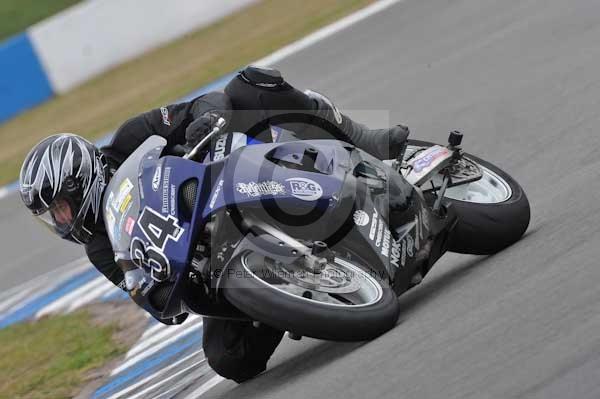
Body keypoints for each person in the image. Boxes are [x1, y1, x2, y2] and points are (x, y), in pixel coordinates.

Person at [18, 66, 409, 382]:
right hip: (213, 258)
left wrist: (204, 122)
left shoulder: (130, 139)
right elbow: (159, 302)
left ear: (80, 178)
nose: (61, 222)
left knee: (247, 84)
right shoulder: (100, 249)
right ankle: (296, 295)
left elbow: (205, 104)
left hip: (238, 172)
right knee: (229, 359)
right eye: (51, 218)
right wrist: (163, 294)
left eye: (61, 208)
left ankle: (359, 137)